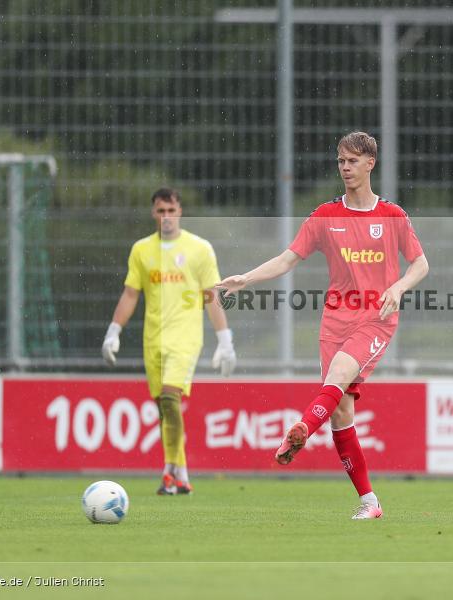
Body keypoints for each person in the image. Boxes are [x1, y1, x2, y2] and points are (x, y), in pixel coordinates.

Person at [218, 132, 428, 519]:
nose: (345, 168)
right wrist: (244, 279)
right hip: (334, 320)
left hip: (376, 319)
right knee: (340, 411)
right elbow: (286, 259)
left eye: (352, 161)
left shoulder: (393, 216)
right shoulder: (325, 215)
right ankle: (370, 503)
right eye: (340, 161)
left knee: (340, 375)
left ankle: (299, 429)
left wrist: (398, 287)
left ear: (370, 164)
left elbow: (420, 263)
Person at [102, 187, 236, 495]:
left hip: (186, 337)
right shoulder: (141, 251)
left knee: (170, 398)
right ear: (154, 214)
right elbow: (131, 293)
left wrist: (224, 339)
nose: (166, 217)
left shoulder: (199, 249)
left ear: (180, 211)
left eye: (171, 211)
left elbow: (210, 296)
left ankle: (168, 471)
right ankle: (182, 474)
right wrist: (114, 331)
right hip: (153, 339)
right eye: (160, 211)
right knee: (164, 409)